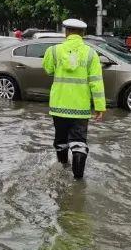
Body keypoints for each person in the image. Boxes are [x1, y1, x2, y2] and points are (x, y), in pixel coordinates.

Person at [42, 19, 105, 179]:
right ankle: (78, 180)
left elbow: (48, 70)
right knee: (79, 143)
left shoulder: (54, 50)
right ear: (83, 34)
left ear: (66, 32)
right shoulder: (91, 54)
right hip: (81, 108)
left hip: (59, 106)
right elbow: (96, 83)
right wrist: (99, 107)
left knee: (61, 140)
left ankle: (62, 170)